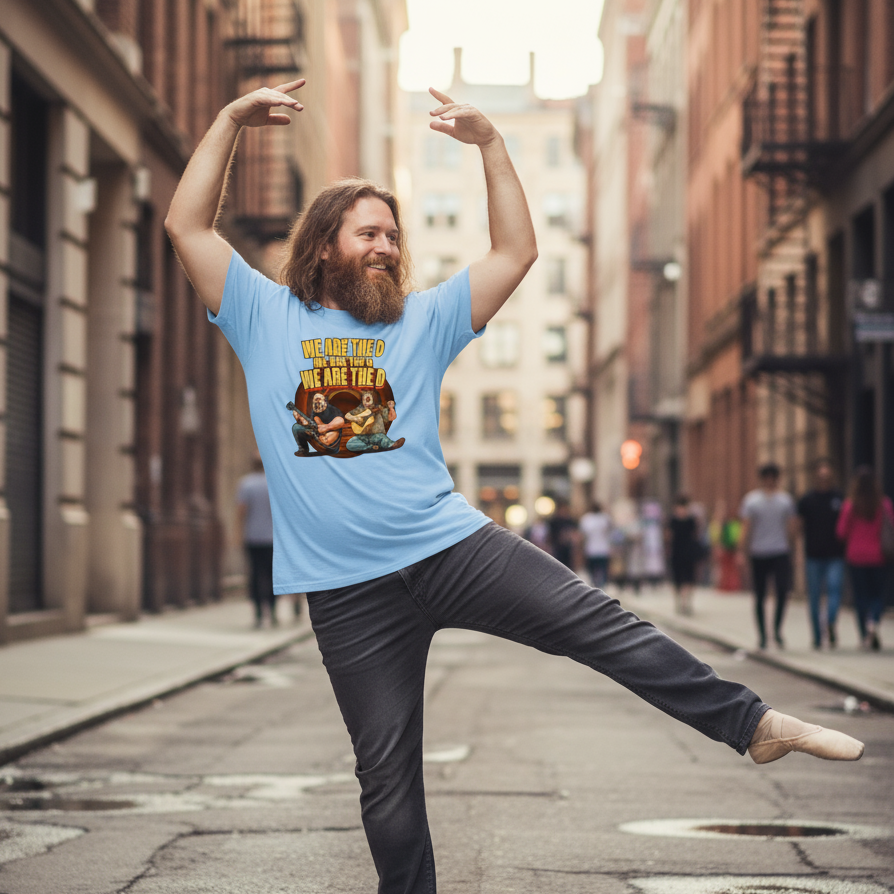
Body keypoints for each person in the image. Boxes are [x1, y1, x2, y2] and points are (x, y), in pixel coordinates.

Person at [165, 78, 864, 894]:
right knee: (385, 776)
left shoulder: (423, 319)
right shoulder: (262, 314)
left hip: (449, 547)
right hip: (346, 590)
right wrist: (229, 121)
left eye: (393, 234)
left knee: (599, 625)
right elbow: (186, 225)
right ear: (324, 246)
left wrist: (493, 145)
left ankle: (753, 723)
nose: (387, 246)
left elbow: (514, 253)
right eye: (369, 234)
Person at [738, 463, 797, 650]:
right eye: (767, 477)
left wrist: (792, 551)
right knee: (760, 595)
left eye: (773, 477)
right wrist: (742, 552)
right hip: (759, 553)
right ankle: (763, 635)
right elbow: (746, 528)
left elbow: (791, 528)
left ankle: (777, 631)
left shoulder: (785, 501)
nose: (770, 481)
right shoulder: (752, 501)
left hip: (780, 551)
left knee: (782, 592)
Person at [836, 466, 894, 651]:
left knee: (860, 596)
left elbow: (841, 532)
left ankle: (864, 635)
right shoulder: (884, 504)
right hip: (878, 557)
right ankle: (874, 620)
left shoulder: (850, 505)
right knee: (878, 595)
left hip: (856, 557)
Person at [796, 459, 846, 649]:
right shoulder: (807, 500)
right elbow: (798, 527)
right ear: (815, 477)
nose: (824, 479)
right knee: (815, 597)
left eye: (827, 476)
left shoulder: (839, 498)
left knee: (835, 590)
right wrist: (798, 553)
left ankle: (830, 622)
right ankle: (817, 636)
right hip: (813, 556)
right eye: (821, 476)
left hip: (835, 555)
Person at [236, 452, 277, 627]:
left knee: (255, 574)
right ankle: (273, 611)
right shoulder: (273, 483)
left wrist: (238, 534)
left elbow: (242, 511)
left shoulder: (246, 484)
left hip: (252, 538)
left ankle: (258, 613)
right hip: (272, 539)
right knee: (272, 575)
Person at [667, 494, 700, 616]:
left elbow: (695, 535)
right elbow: (668, 536)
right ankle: (680, 602)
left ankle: (686, 602)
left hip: (687, 552)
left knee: (688, 578)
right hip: (677, 552)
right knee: (678, 578)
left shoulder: (690, 520)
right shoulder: (673, 520)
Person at [579, 501, 612, 588]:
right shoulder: (602, 518)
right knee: (596, 570)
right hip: (596, 549)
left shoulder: (602, 518)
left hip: (598, 549)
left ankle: (599, 585)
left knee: (599, 570)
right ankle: (599, 585)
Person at [548, 498, 579, 570]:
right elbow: (550, 535)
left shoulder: (570, 521)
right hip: (557, 548)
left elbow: (575, 533)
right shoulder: (554, 522)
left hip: (568, 549)